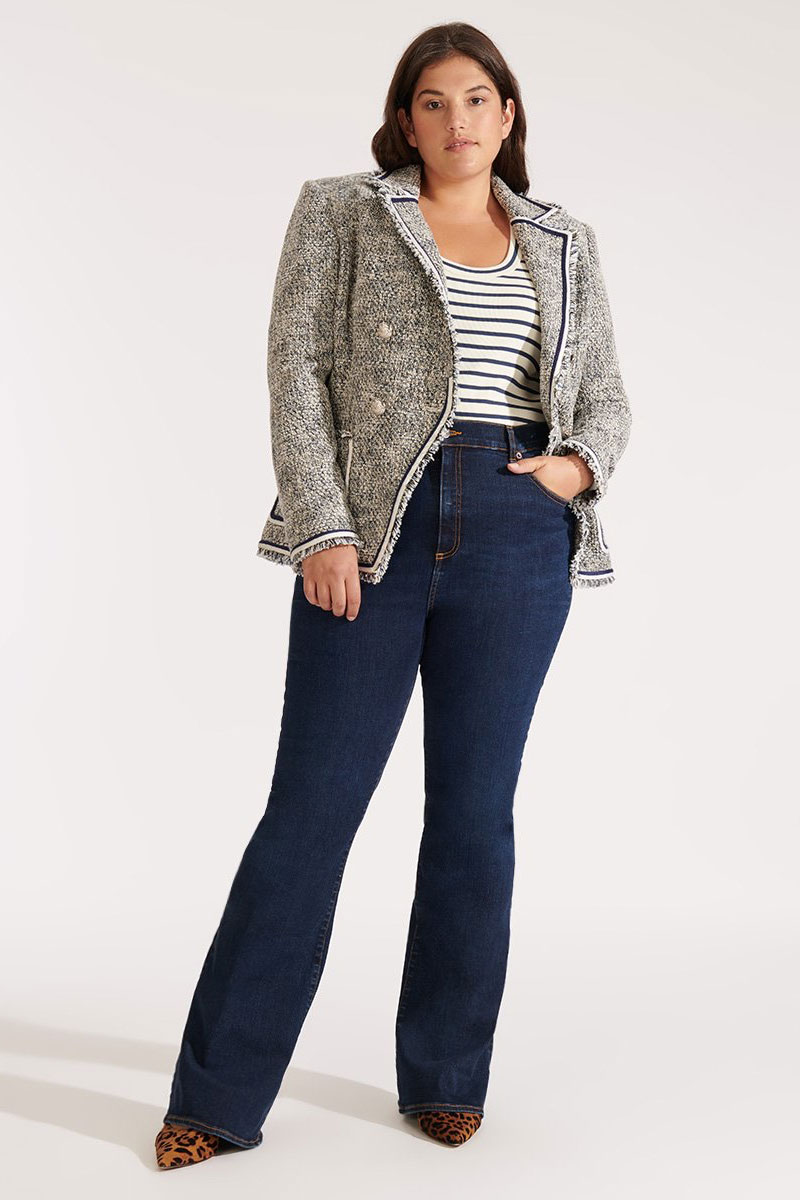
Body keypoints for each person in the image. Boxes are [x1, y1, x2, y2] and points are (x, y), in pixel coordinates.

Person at [155, 20, 631, 1170]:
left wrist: (573, 469)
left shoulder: (562, 240)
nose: (456, 120)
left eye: (476, 100)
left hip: (516, 531)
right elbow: (297, 372)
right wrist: (322, 527)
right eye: (432, 101)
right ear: (404, 118)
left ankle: (446, 1082)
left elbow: (604, 395)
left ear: (506, 116)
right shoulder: (341, 212)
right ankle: (215, 1100)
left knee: (473, 815)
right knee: (310, 813)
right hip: (373, 532)